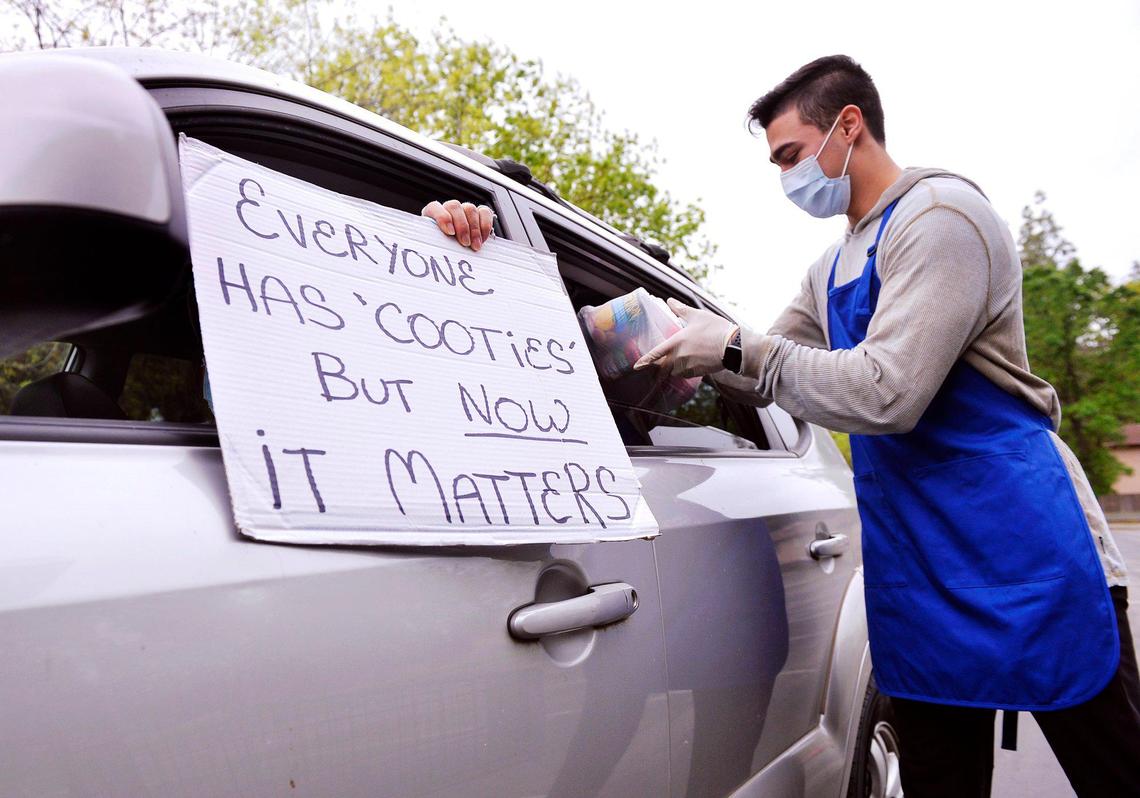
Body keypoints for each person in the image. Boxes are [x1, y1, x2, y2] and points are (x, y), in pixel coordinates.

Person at [420, 55, 1140, 797]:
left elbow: (888, 393)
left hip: (1025, 550)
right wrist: (594, 324)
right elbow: (750, 368)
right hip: (921, 564)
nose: (787, 178)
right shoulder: (829, 270)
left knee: (1112, 770)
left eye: (792, 155)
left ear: (848, 126)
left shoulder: (943, 220)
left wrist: (735, 349)